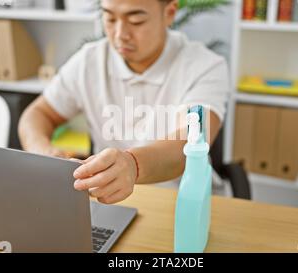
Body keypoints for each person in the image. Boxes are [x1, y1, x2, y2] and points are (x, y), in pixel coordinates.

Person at [18, 0, 230, 204]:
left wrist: (133, 165)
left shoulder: (205, 67)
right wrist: (45, 154)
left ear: (170, 13)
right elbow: (37, 114)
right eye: (109, 18)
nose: (120, 35)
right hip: (108, 201)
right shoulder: (89, 61)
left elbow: (190, 144)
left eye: (136, 21)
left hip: (184, 201)